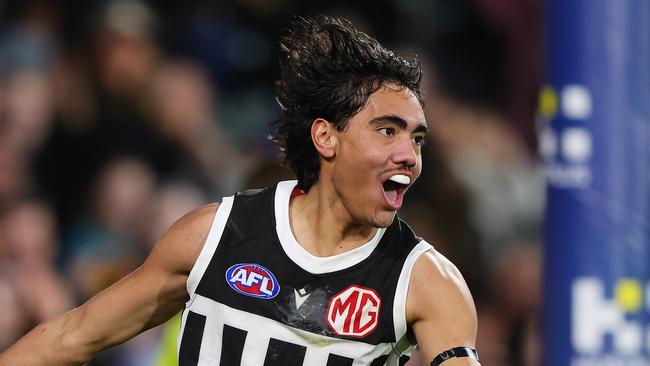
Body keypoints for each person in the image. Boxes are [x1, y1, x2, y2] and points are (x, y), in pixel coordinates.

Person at [0, 15, 480, 366]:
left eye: (417, 138)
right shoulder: (212, 235)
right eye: (388, 131)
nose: (409, 155)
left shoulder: (427, 283)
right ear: (325, 136)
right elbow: (71, 338)